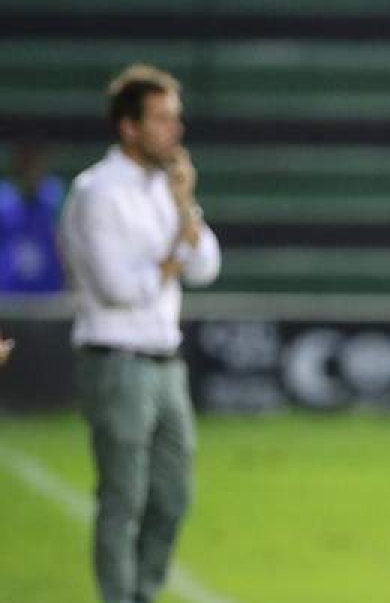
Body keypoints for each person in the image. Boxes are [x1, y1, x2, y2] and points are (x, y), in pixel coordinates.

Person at [59, 64, 220, 603]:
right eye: (162, 119)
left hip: (164, 361)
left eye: (176, 118)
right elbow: (118, 288)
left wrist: (182, 209)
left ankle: (141, 593)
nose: (175, 130)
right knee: (123, 498)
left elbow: (206, 265)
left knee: (173, 496)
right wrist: (175, 252)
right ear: (129, 127)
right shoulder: (97, 193)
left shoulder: (164, 188)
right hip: (115, 359)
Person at [0, 140, 66, 293]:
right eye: (26, 164)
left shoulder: (55, 195)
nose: (31, 170)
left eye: (35, 165)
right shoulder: (3, 198)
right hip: (8, 295)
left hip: (48, 293)